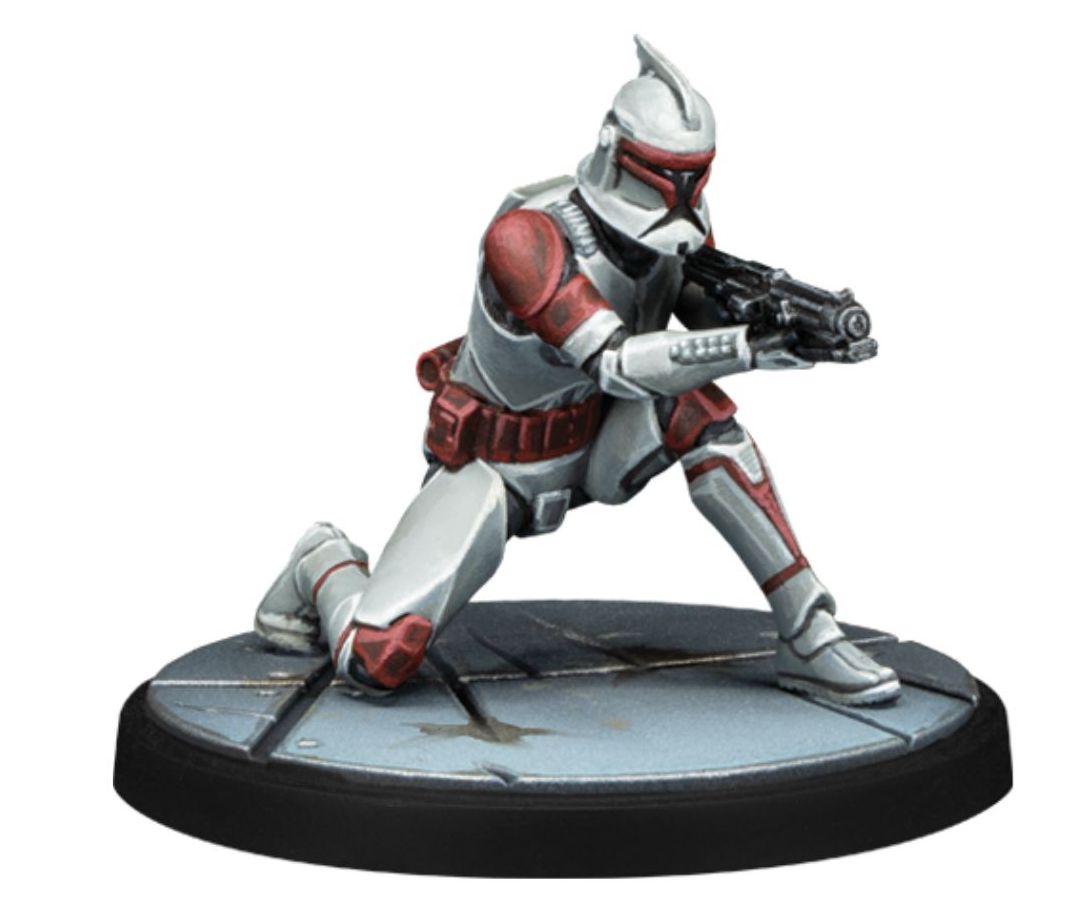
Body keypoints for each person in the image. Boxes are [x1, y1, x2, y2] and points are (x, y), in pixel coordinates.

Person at [254, 37, 899, 707]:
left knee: (699, 412)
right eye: (663, 173)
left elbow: (700, 320)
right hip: (496, 466)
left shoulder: (678, 232)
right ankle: (322, 561)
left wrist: (784, 324)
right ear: (617, 154)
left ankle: (808, 629)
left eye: (690, 175)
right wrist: (748, 348)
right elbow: (616, 362)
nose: (678, 193)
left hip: (597, 443)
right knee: (374, 659)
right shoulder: (528, 238)